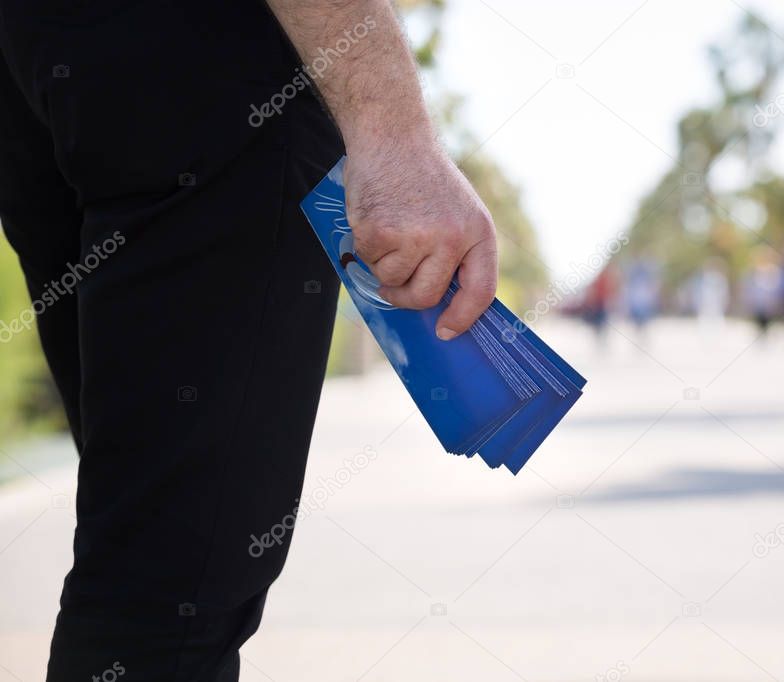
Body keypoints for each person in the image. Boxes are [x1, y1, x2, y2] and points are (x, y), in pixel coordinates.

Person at [0, 1, 498, 679]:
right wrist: (395, 134)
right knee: (167, 585)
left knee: (140, 538)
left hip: (38, 53)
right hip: (203, 61)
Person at [743, 247, 781, 337]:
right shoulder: (753, 270)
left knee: (768, 318)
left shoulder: (774, 270)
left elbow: (777, 286)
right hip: (758, 299)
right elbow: (749, 285)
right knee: (759, 318)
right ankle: (760, 333)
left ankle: (765, 334)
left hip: (769, 300)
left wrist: (775, 299)